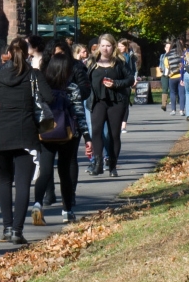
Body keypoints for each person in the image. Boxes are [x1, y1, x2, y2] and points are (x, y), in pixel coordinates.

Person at [0, 38, 53, 245]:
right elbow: (50, 98)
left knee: (4, 182)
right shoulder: (33, 75)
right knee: (22, 184)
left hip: (0, 132)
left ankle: (7, 227)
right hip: (25, 132)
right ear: (27, 54)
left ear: (9, 54)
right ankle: (18, 231)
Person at [30, 52, 93, 225]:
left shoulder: (42, 86)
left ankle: (37, 204)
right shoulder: (71, 87)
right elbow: (80, 114)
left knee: (45, 171)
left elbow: (36, 110)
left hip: (46, 134)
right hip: (67, 134)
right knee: (64, 172)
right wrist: (87, 137)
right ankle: (67, 210)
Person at [88, 33, 135, 177]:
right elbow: (84, 79)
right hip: (98, 101)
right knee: (96, 131)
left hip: (116, 102)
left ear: (113, 47)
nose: (105, 49)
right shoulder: (92, 61)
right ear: (98, 46)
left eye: (108, 46)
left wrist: (115, 84)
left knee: (114, 134)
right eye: (102, 45)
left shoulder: (119, 62)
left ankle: (113, 166)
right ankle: (98, 163)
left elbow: (130, 79)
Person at [159, 39, 182, 114]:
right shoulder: (163, 56)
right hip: (165, 74)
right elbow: (161, 65)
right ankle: (164, 104)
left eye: (169, 47)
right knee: (165, 89)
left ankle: (177, 106)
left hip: (172, 74)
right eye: (166, 47)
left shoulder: (175, 54)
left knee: (175, 91)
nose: (168, 48)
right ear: (165, 48)